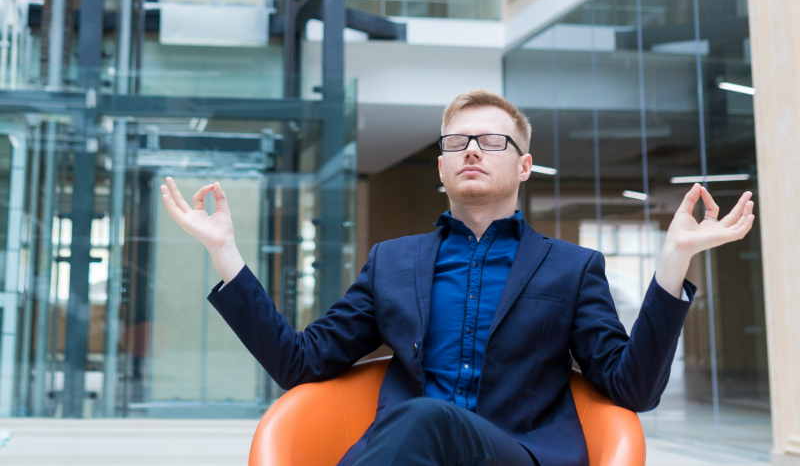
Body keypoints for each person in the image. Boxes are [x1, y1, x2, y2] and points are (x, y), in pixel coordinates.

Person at [160, 89, 754, 466]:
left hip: (515, 453)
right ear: (442, 167)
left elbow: (632, 390)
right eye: (456, 142)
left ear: (522, 165)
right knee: (417, 423)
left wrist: (674, 260)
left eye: (491, 141)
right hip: (403, 457)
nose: (472, 150)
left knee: (425, 415)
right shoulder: (391, 262)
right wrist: (226, 255)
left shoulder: (573, 269)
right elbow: (299, 363)